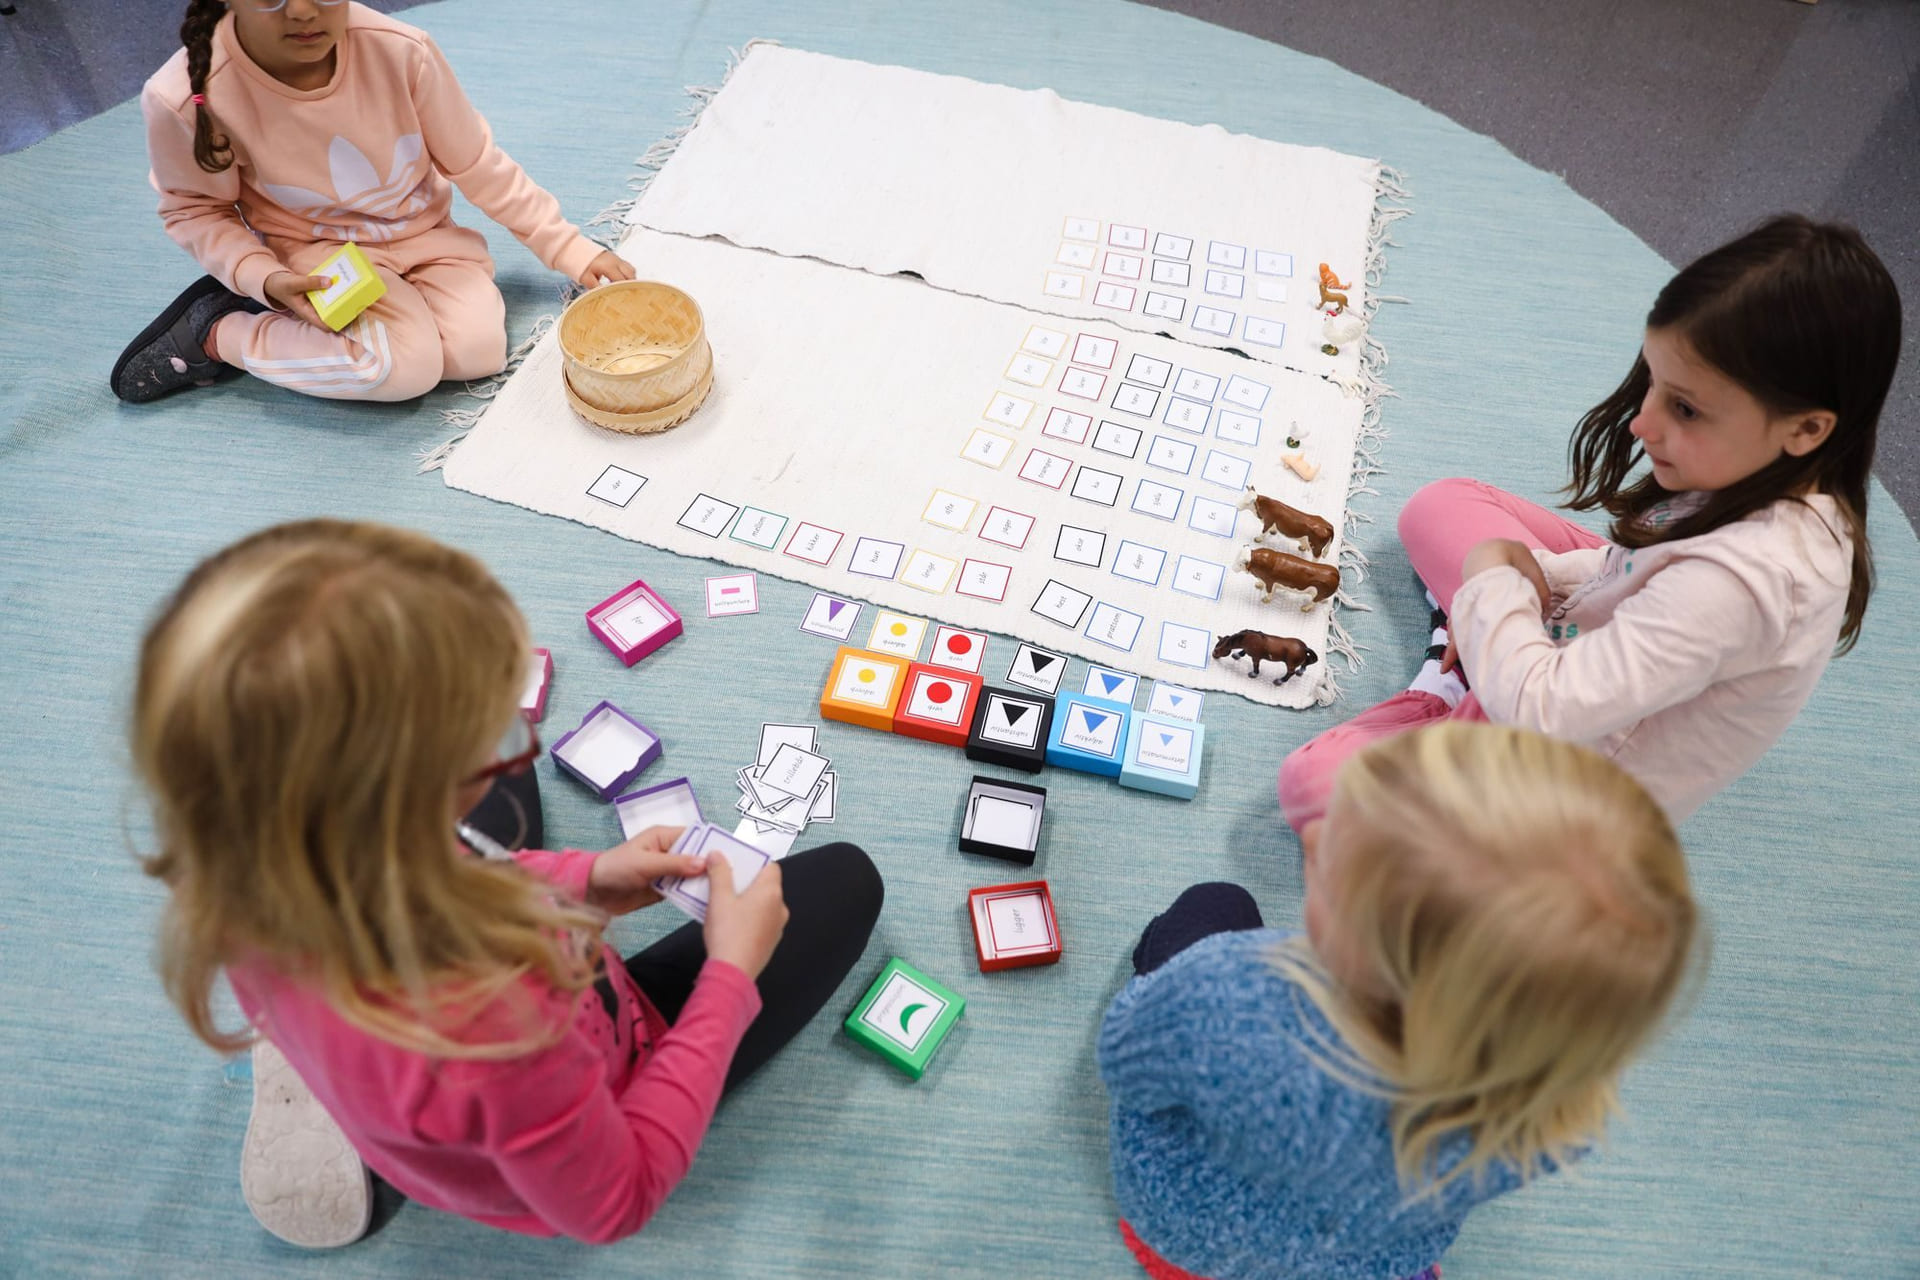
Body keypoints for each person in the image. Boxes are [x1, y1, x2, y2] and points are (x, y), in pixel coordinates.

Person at [131, 520, 882, 1247]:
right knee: (846, 883)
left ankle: (347, 1096)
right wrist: (728, 977)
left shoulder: (240, 864)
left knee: (508, 794)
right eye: (483, 734)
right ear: (397, 803)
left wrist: (583, 878)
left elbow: (465, 863)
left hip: (372, 1036)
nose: (518, 737)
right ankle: (381, 1152)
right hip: (581, 1080)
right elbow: (618, 1201)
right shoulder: (502, 1033)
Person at [1280, 215, 1901, 831]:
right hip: (1595, 639)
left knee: (1313, 786)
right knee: (1440, 507)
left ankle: (1442, 693)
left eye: (1684, 408)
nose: (1641, 424)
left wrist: (1494, 582)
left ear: (1807, 429)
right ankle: (1480, 655)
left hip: (1557, 781)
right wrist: (1533, 574)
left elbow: (1541, 711)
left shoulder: (1735, 586)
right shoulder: (1774, 484)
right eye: (1653, 383)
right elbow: (1620, 569)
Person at [1102, 723, 1701, 1279]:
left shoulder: (1230, 995)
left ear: (1358, 939)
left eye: (1328, 858)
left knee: (1215, 902)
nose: (1317, 839)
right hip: (1362, 1261)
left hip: (1183, 1235)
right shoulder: (1557, 1106)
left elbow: (1124, 1058)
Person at [112, 0, 634, 404]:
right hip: (318, 256)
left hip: (427, 240)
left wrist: (570, 249)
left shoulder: (403, 51)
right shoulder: (185, 96)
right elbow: (194, 209)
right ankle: (216, 331)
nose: (302, 11)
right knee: (402, 370)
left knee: (478, 352)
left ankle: (286, 311)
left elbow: (477, 164)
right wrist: (260, 274)